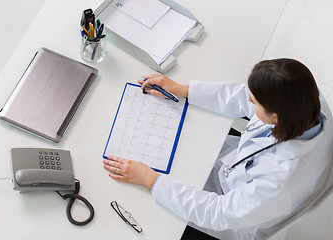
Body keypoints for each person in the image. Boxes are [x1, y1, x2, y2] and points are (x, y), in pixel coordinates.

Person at [103, 59, 333, 239]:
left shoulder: (279, 181)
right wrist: (183, 90)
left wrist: (152, 180)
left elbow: (219, 213)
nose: (249, 101)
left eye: (255, 101)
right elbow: (243, 97)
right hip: (234, 169)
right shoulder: (305, 100)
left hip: (235, 217)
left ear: (275, 116)